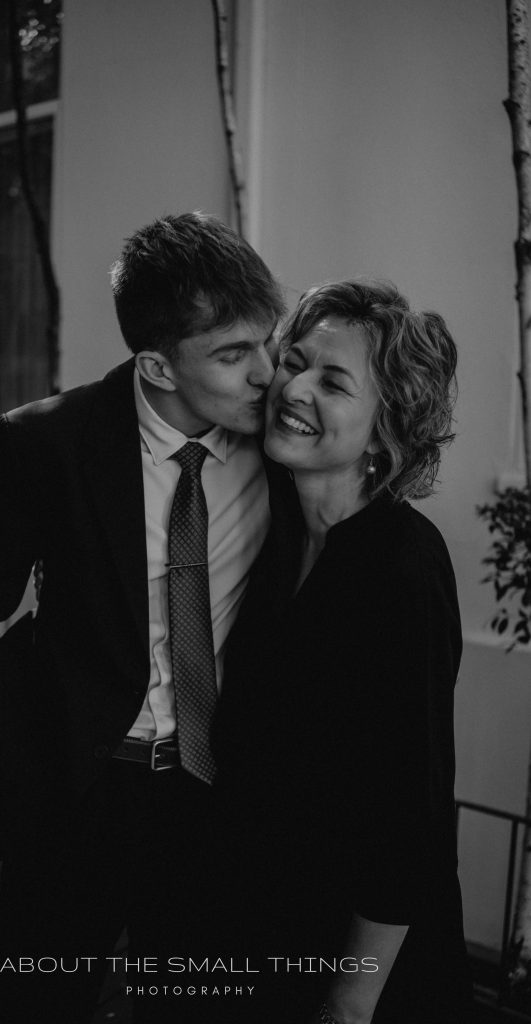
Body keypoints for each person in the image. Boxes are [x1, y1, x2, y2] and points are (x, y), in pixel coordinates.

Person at [0, 211, 289, 1023]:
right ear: (157, 364)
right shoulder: (47, 444)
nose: (266, 373)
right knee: (40, 1000)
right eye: (232, 354)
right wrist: (2, 758)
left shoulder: (280, 446)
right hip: (77, 794)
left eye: (267, 340)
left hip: (214, 796)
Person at [212, 280, 473, 1024]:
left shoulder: (403, 570)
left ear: (386, 433)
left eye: (333, 382)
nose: (293, 388)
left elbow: (410, 816)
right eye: (293, 362)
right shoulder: (277, 533)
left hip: (359, 960)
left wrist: (350, 1000)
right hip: (263, 925)